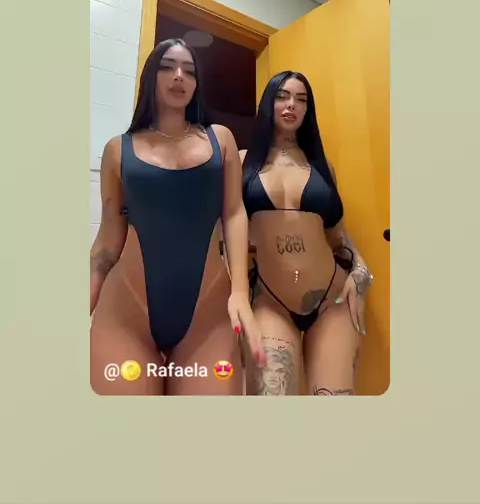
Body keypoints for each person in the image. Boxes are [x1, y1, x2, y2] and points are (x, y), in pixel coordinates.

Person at [90, 38, 264, 395]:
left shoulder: (220, 140)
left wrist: (240, 293)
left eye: (189, 70)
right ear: (150, 77)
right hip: (126, 317)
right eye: (168, 66)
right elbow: (107, 243)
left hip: (208, 319)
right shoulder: (117, 150)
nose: (179, 76)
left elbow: (234, 213)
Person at [240, 71, 373, 396]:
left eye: (301, 100)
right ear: (268, 102)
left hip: (333, 301)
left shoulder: (322, 165)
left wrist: (360, 270)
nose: (292, 105)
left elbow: (336, 235)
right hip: (271, 302)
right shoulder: (243, 162)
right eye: (283, 96)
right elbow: (227, 231)